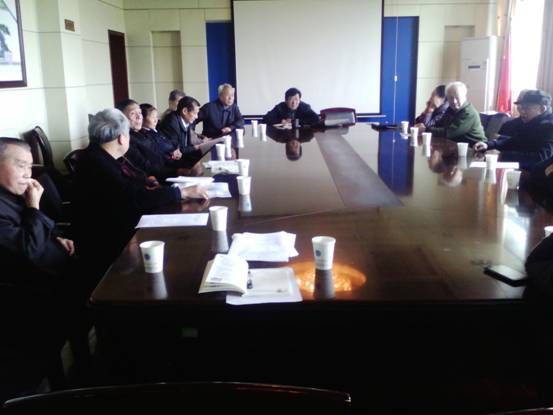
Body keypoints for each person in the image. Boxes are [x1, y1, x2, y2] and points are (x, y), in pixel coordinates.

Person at [72, 108, 208, 279]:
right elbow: (135, 199)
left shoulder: (99, 155)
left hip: (118, 227)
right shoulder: (98, 163)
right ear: (122, 138)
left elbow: (133, 184)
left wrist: (147, 183)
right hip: (108, 244)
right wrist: (181, 192)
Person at [0, 137, 86, 399]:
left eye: (29, 166)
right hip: (31, 296)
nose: (27, 174)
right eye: (20, 165)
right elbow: (29, 251)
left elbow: (34, 227)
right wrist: (34, 206)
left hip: (56, 275)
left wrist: (56, 237)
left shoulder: (12, 194)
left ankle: (83, 368)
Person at [473, 90, 553, 170]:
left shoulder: (550, 126)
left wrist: (502, 155)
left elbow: (541, 158)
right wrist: (488, 145)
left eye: (527, 108)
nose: (522, 111)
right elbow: (516, 141)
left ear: (542, 109)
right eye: (522, 107)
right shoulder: (532, 121)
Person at [420, 81, 486, 146]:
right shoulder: (451, 109)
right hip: (455, 145)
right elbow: (439, 125)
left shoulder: (468, 113)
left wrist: (426, 129)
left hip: (475, 147)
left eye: (457, 97)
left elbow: (449, 133)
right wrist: (423, 127)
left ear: (464, 97)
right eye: (451, 98)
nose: (454, 101)